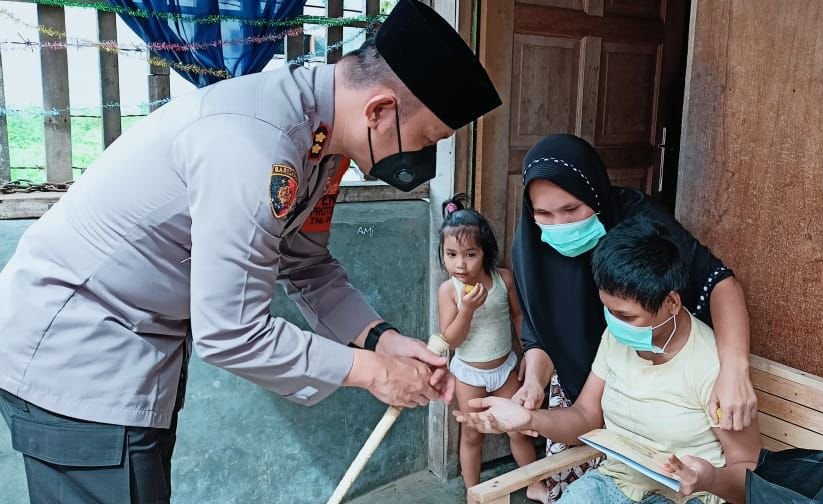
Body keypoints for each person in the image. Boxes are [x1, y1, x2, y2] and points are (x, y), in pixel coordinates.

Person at [0, 1, 502, 502]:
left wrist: (380, 341)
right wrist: (375, 375)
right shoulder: (256, 144)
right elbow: (231, 331)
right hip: (79, 350)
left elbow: (306, 264)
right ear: (379, 110)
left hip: (137, 348)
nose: (417, 159)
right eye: (425, 138)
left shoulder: (321, 145)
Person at [508, 134, 757, 501]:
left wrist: (735, 370)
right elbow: (543, 336)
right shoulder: (533, 251)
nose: (558, 225)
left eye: (572, 209)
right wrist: (532, 394)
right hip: (603, 399)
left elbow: (719, 282)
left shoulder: (640, 227)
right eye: (543, 214)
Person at [456, 216, 762, 504]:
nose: (614, 324)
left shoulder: (711, 366)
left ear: (671, 303)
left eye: (626, 315)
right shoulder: (617, 338)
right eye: (608, 310)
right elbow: (587, 417)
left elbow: (748, 470)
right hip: (616, 482)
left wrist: (708, 479)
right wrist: (530, 419)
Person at [435, 194, 547, 502]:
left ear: (486, 252)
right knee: (472, 434)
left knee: (518, 429)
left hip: (505, 369)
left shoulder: (504, 280)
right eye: (451, 254)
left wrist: (527, 352)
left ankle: (535, 482)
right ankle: (474, 492)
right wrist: (467, 310)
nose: (460, 263)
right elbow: (451, 340)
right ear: (443, 255)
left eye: (470, 254)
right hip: (469, 374)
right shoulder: (449, 291)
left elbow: (518, 315)